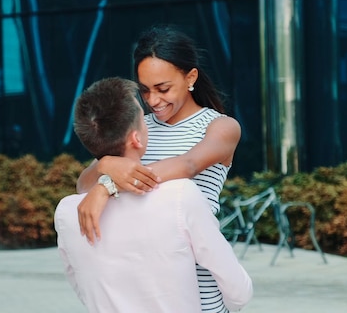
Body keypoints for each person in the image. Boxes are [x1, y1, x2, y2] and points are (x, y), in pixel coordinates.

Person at [76, 25, 242, 312]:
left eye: (163, 89)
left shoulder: (220, 127)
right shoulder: (138, 125)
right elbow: (82, 186)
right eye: (145, 91)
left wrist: (109, 183)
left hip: (196, 281)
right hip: (143, 282)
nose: (153, 101)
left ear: (190, 77)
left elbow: (187, 165)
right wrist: (106, 163)